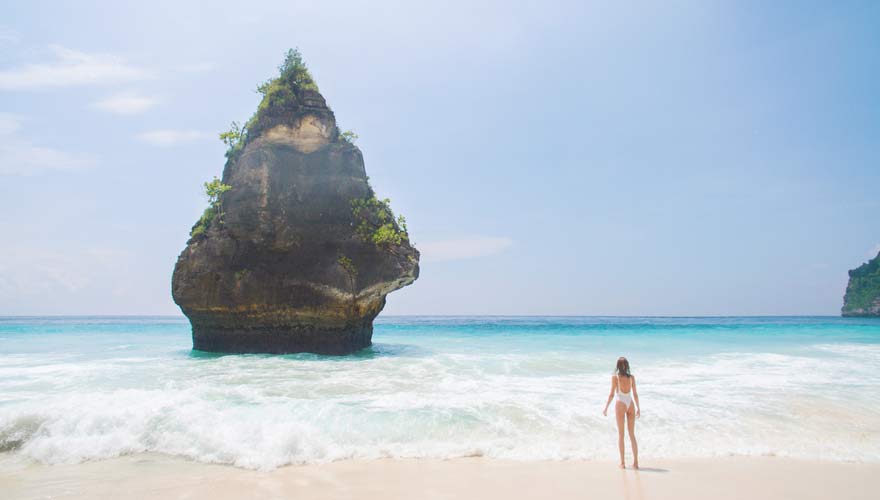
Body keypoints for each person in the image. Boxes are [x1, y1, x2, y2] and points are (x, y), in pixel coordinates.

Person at [603, 356, 640, 469]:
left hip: (620, 403)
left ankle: (623, 463)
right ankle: (635, 462)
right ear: (627, 365)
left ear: (618, 366)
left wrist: (606, 408)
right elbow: (635, 394)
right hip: (630, 404)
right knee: (632, 434)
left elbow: (611, 394)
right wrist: (638, 408)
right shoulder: (631, 378)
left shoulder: (615, 378)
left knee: (621, 435)